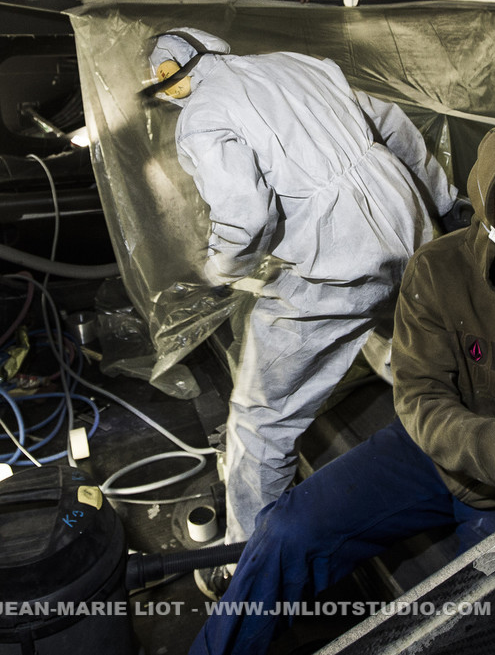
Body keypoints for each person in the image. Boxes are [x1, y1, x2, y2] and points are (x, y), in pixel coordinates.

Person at [189, 121, 495, 655]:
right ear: (485, 204)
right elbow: (419, 396)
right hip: (438, 454)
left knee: (491, 622)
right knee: (286, 532)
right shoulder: (437, 270)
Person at [143, 28, 461, 576]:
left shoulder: (201, 115)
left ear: (173, 77)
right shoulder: (295, 62)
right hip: (410, 227)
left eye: (162, 82)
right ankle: (463, 434)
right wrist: (442, 200)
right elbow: (392, 124)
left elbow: (248, 215)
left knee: (260, 418)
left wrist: (219, 269)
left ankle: (244, 560)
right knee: (412, 335)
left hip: (339, 263)